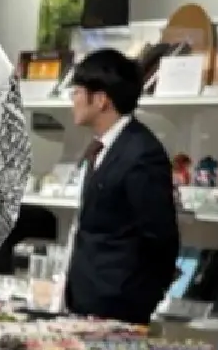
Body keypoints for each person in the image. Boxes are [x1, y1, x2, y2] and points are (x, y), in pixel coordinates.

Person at [64, 48, 180, 323]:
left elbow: (161, 237)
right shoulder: (103, 147)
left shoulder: (141, 153)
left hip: (119, 307)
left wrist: (142, 300)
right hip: (87, 301)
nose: (73, 101)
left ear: (101, 99)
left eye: (77, 92)